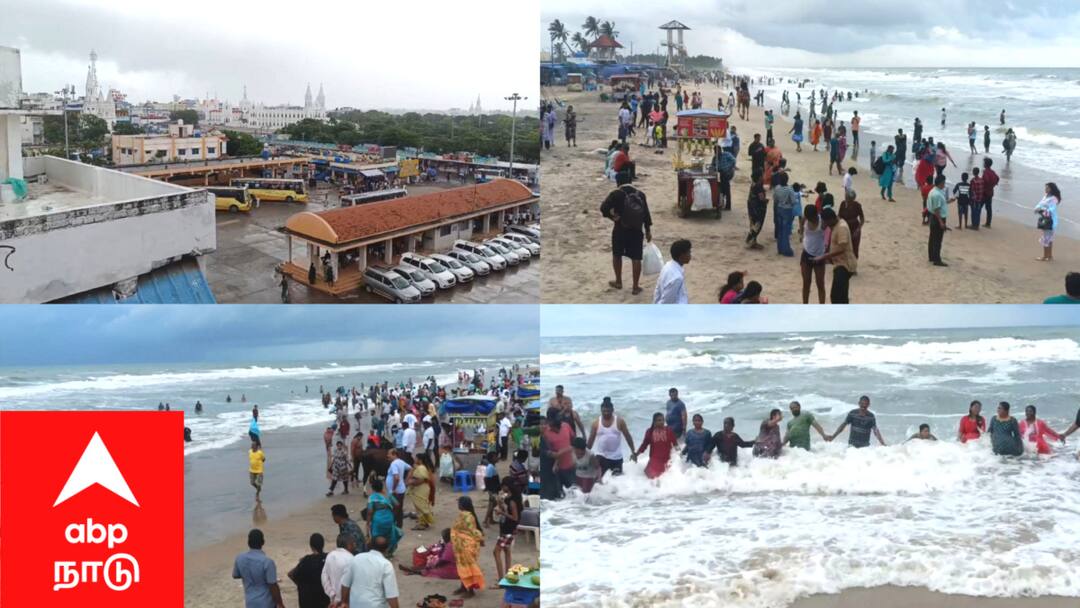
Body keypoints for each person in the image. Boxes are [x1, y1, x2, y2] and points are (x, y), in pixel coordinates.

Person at [600, 183, 652, 295]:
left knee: (617, 254)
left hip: (620, 229)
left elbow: (603, 208)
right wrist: (648, 230)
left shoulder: (616, 194)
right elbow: (646, 215)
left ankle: (618, 281)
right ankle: (635, 287)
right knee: (636, 257)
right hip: (636, 230)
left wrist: (612, 217)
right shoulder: (640, 194)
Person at [339, 535, 400, 608]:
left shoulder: (356, 558)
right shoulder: (386, 565)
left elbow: (345, 584)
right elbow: (391, 595)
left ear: (369, 545)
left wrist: (344, 602)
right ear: (386, 550)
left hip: (355, 604)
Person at [234, 529, 286, 608]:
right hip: (266, 603)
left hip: (250, 602)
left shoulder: (240, 558)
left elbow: (235, 575)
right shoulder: (267, 562)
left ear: (248, 542)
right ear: (263, 542)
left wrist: (248, 574)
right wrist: (280, 604)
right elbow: (273, 586)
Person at [587, 397, 636, 476]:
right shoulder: (596, 423)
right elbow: (590, 442)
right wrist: (584, 456)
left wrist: (633, 452)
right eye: (604, 411)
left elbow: (628, 437)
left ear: (612, 410)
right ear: (601, 411)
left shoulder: (620, 421)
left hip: (616, 457)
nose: (606, 413)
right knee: (599, 481)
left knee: (616, 481)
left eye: (608, 411)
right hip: (601, 457)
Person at [816, 208, 856, 304]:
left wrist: (824, 256)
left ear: (831, 219)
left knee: (836, 296)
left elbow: (842, 248)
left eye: (826, 222)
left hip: (844, 265)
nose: (825, 224)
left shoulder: (841, 227)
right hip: (839, 264)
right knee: (841, 295)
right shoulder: (836, 224)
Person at [450, 496, 485, 597]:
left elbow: (471, 531)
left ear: (462, 505)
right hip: (462, 545)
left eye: (459, 503)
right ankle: (463, 587)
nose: (458, 505)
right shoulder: (467, 515)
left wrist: (480, 538)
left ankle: (470, 591)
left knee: (468, 568)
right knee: (463, 568)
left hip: (466, 546)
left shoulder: (466, 516)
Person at [491, 478, 522, 586]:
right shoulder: (509, 498)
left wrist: (502, 513)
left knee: (496, 552)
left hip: (508, 529)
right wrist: (499, 504)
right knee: (506, 551)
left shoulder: (512, 501)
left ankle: (501, 580)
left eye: (503, 486)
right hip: (506, 528)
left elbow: (514, 517)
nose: (502, 488)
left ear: (507, 486)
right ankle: (508, 577)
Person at [288, 533, 330, 608]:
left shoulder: (305, 560)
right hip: (323, 600)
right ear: (323, 544)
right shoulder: (328, 558)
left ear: (311, 546)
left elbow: (290, 574)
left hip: (306, 601)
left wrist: (300, 585)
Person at [633, 412, 678, 479]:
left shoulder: (669, 430)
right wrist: (636, 454)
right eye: (659, 420)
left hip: (666, 459)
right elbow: (644, 445)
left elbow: (675, 444)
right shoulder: (649, 432)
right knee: (651, 478)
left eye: (663, 420)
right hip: (654, 460)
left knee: (667, 478)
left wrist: (680, 456)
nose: (662, 422)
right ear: (654, 422)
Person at [367, 478, 402, 557]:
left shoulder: (372, 497)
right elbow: (397, 504)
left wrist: (368, 522)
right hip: (389, 518)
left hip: (378, 519)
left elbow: (369, 512)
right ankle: (388, 552)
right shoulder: (388, 495)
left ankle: (378, 553)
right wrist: (393, 514)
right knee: (389, 535)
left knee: (376, 536)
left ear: (373, 488)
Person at [800, 205, 827, 304]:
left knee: (820, 284)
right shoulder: (805, 218)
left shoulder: (822, 222)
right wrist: (801, 234)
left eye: (814, 218)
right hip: (806, 254)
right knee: (806, 283)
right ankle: (805, 306)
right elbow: (801, 222)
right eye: (810, 218)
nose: (812, 220)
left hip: (819, 256)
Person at [544, 407, 575, 490]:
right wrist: (556, 461)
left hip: (570, 467)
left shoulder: (566, 426)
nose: (560, 418)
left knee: (575, 493)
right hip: (555, 471)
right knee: (559, 499)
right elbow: (546, 451)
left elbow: (574, 443)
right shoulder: (545, 432)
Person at [322, 533, 356, 605]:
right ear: (349, 545)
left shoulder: (330, 555)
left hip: (334, 602)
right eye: (354, 543)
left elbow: (324, 578)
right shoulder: (352, 559)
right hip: (348, 603)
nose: (355, 546)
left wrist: (332, 594)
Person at [654, 239, 692, 304]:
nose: (690, 255)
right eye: (688, 252)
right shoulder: (676, 278)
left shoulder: (668, 265)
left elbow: (657, 290)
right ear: (682, 256)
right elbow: (667, 302)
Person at [927, 175, 953, 267]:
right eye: (944, 183)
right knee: (937, 239)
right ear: (941, 183)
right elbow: (936, 209)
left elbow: (941, 203)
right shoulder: (937, 194)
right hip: (937, 217)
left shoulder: (934, 191)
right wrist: (941, 222)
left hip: (933, 217)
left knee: (932, 238)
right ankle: (937, 259)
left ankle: (932, 256)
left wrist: (950, 201)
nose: (944, 184)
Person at [406, 453, 436, 531]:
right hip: (419, 489)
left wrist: (412, 482)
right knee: (420, 506)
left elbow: (422, 479)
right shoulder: (419, 467)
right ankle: (423, 522)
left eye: (416, 458)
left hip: (421, 489)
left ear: (420, 460)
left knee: (421, 507)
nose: (414, 460)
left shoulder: (422, 468)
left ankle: (422, 524)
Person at [1034, 183, 1061, 262]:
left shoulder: (1054, 198)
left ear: (1052, 189)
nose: (1046, 189)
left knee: (1046, 238)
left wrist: (1042, 211)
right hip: (1046, 218)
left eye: (1047, 188)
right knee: (1049, 238)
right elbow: (1040, 204)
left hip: (1050, 220)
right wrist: (1037, 209)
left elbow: (1051, 209)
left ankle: (1045, 257)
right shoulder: (1046, 196)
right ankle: (1049, 256)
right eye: (1045, 187)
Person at [385, 448, 411, 529]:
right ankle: (399, 525)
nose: (387, 455)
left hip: (395, 492)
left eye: (389, 454)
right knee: (399, 509)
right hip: (401, 490)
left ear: (394, 454)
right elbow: (411, 468)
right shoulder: (401, 462)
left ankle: (391, 526)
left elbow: (396, 478)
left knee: (394, 509)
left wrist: (393, 489)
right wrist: (405, 481)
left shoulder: (394, 464)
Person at [773, 173, 797, 257]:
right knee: (786, 230)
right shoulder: (790, 189)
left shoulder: (777, 188)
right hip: (787, 210)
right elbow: (794, 201)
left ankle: (780, 248)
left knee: (780, 229)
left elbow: (775, 199)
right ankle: (786, 250)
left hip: (779, 208)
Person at [838, 190, 865, 259]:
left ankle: (853, 263)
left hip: (854, 228)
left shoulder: (857, 205)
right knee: (844, 246)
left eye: (849, 199)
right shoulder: (843, 204)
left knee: (854, 247)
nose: (847, 200)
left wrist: (858, 229)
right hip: (844, 227)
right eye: (847, 198)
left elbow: (862, 218)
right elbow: (839, 215)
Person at [746, 169, 769, 250]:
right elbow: (761, 198)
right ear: (759, 177)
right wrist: (766, 201)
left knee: (753, 223)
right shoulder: (758, 185)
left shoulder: (754, 184)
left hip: (751, 206)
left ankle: (752, 241)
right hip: (757, 208)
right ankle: (751, 241)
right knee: (757, 225)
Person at [981, 158, 1000, 228]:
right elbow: (997, 178)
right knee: (989, 208)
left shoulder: (985, 172)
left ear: (985, 164)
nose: (983, 164)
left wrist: (985, 185)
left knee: (979, 207)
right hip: (990, 192)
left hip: (984, 192)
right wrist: (994, 184)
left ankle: (976, 222)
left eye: (984, 163)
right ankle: (988, 223)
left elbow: (986, 180)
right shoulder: (992, 172)